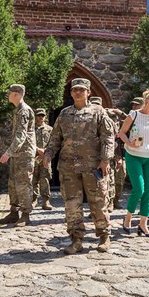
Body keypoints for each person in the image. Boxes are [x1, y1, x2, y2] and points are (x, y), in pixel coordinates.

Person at [43, 78, 114, 254]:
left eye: (82, 90)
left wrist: (105, 160)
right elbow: (55, 138)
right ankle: (76, 239)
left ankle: (104, 236)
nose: (78, 92)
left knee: (98, 202)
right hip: (69, 167)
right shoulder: (65, 114)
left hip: (93, 167)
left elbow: (108, 137)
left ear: (89, 92)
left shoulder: (98, 112)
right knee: (71, 204)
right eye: (75, 90)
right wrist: (48, 154)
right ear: (71, 92)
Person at [118, 89, 149, 237]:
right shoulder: (134, 115)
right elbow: (122, 133)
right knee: (139, 189)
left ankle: (143, 224)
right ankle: (128, 218)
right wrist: (129, 144)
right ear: (148, 102)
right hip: (133, 156)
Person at [0, 84, 36, 226]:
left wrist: (8, 152)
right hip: (18, 154)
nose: (8, 95)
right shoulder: (18, 110)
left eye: (10, 93)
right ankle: (14, 213)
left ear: (16, 94)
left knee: (24, 183)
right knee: (13, 184)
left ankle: (25, 214)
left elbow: (21, 135)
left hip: (24, 154)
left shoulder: (24, 111)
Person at [32, 108, 53, 210]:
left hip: (45, 158)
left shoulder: (49, 129)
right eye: (38, 115)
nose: (40, 117)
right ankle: (33, 200)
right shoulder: (30, 129)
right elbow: (28, 142)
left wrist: (44, 153)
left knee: (45, 179)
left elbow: (53, 143)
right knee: (33, 179)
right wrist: (37, 150)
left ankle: (46, 201)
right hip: (33, 157)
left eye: (42, 116)